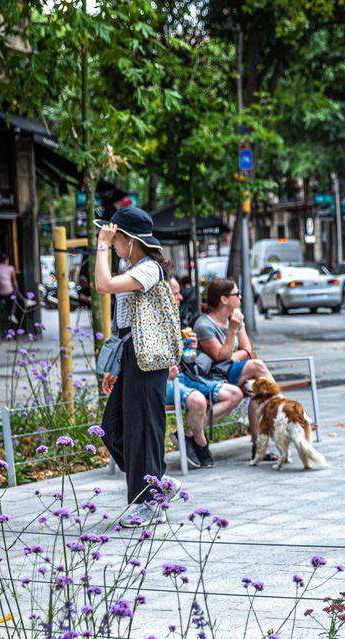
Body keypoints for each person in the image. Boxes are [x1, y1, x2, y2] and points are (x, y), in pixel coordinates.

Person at [94, 207, 177, 523]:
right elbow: (123, 324)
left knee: (142, 427)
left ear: (130, 239)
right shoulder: (133, 266)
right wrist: (115, 364)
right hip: (130, 354)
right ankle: (157, 481)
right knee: (112, 426)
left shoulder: (149, 269)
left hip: (147, 357)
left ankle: (149, 501)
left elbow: (103, 285)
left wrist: (102, 244)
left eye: (116, 239)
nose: (113, 244)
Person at [164, 277, 244, 468]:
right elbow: (222, 356)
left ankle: (187, 433)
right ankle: (200, 440)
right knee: (198, 401)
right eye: (175, 293)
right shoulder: (153, 321)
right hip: (165, 378)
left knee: (235, 394)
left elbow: (180, 355)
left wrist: (190, 347)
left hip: (186, 374)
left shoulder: (174, 317)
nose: (180, 297)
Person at [194, 278, 276, 460]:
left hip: (234, 371)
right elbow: (219, 358)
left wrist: (229, 355)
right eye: (236, 294)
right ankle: (284, 406)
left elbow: (247, 350)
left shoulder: (237, 319)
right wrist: (231, 331)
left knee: (259, 393)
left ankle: (259, 448)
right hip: (216, 377)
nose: (240, 297)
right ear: (224, 299)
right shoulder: (204, 324)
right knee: (258, 365)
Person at [0, 253, 17, 330]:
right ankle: (12, 314)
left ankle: (5, 329)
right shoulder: (10, 268)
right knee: (15, 294)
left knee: (4, 310)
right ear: (6, 260)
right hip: (9, 291)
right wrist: (16, 286)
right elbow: (14, 281)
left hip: (1, 293)